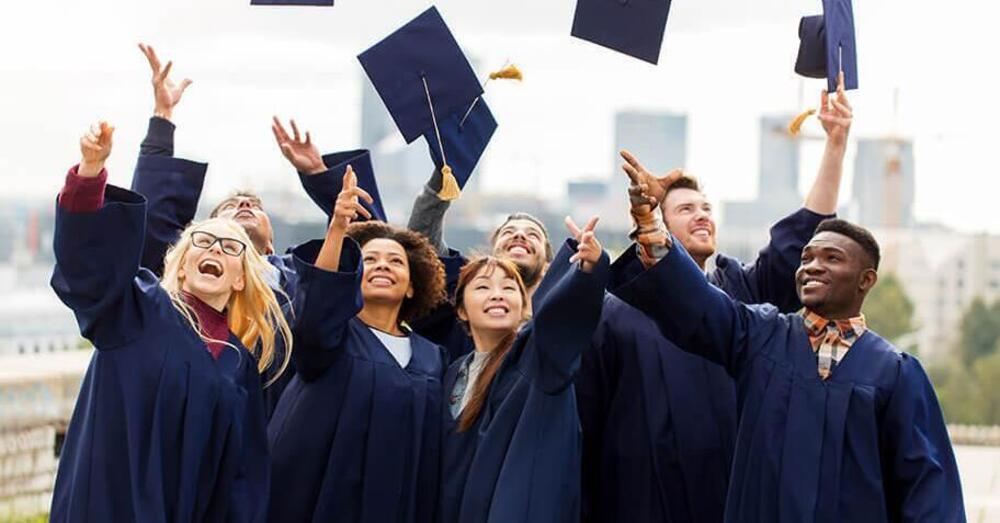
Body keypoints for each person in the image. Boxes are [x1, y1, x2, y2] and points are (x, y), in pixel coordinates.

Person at [610, 209, 966, 520]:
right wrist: (654, 230)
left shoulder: (895, 373)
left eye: (832, 258)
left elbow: (927, 488)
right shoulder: (760, 336)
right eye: (807, 258)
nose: (812, 266)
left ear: (866, 279)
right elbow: (700, 304)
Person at [50, 121, 292, 522]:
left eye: (231, 247)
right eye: (203, 240)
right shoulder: (135, 308)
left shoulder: (238, 364)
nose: (215, 247)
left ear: (240, 278)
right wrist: (90, 172)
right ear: (181, 267)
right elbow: (86, 269)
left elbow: (240, 479)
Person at [129, 43, 353, 415]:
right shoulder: (189, 276)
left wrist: (319, 175)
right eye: (229, 208)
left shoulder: (298, 279)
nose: (245, 205)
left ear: (271, 245)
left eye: (254, 206)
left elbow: (366, 248)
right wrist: (162, 118)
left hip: (279, 422)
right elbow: (152, 223)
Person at [266, 167, 447, 522]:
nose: (383, 266)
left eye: (396, 261)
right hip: (319, 498)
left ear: (412, 285)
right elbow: (320, 299)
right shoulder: (331, 335)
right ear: (353, 276)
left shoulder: (433, 357)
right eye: (369, 260)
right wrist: (337, 228)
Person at [439, 216, 609, 523]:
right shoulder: (452, 373)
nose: (497, 294)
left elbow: (561, 321)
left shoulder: (537, 358)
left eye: (508, 288)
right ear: (461, 308)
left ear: (524, 305)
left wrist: (587, 270)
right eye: (482, 286)